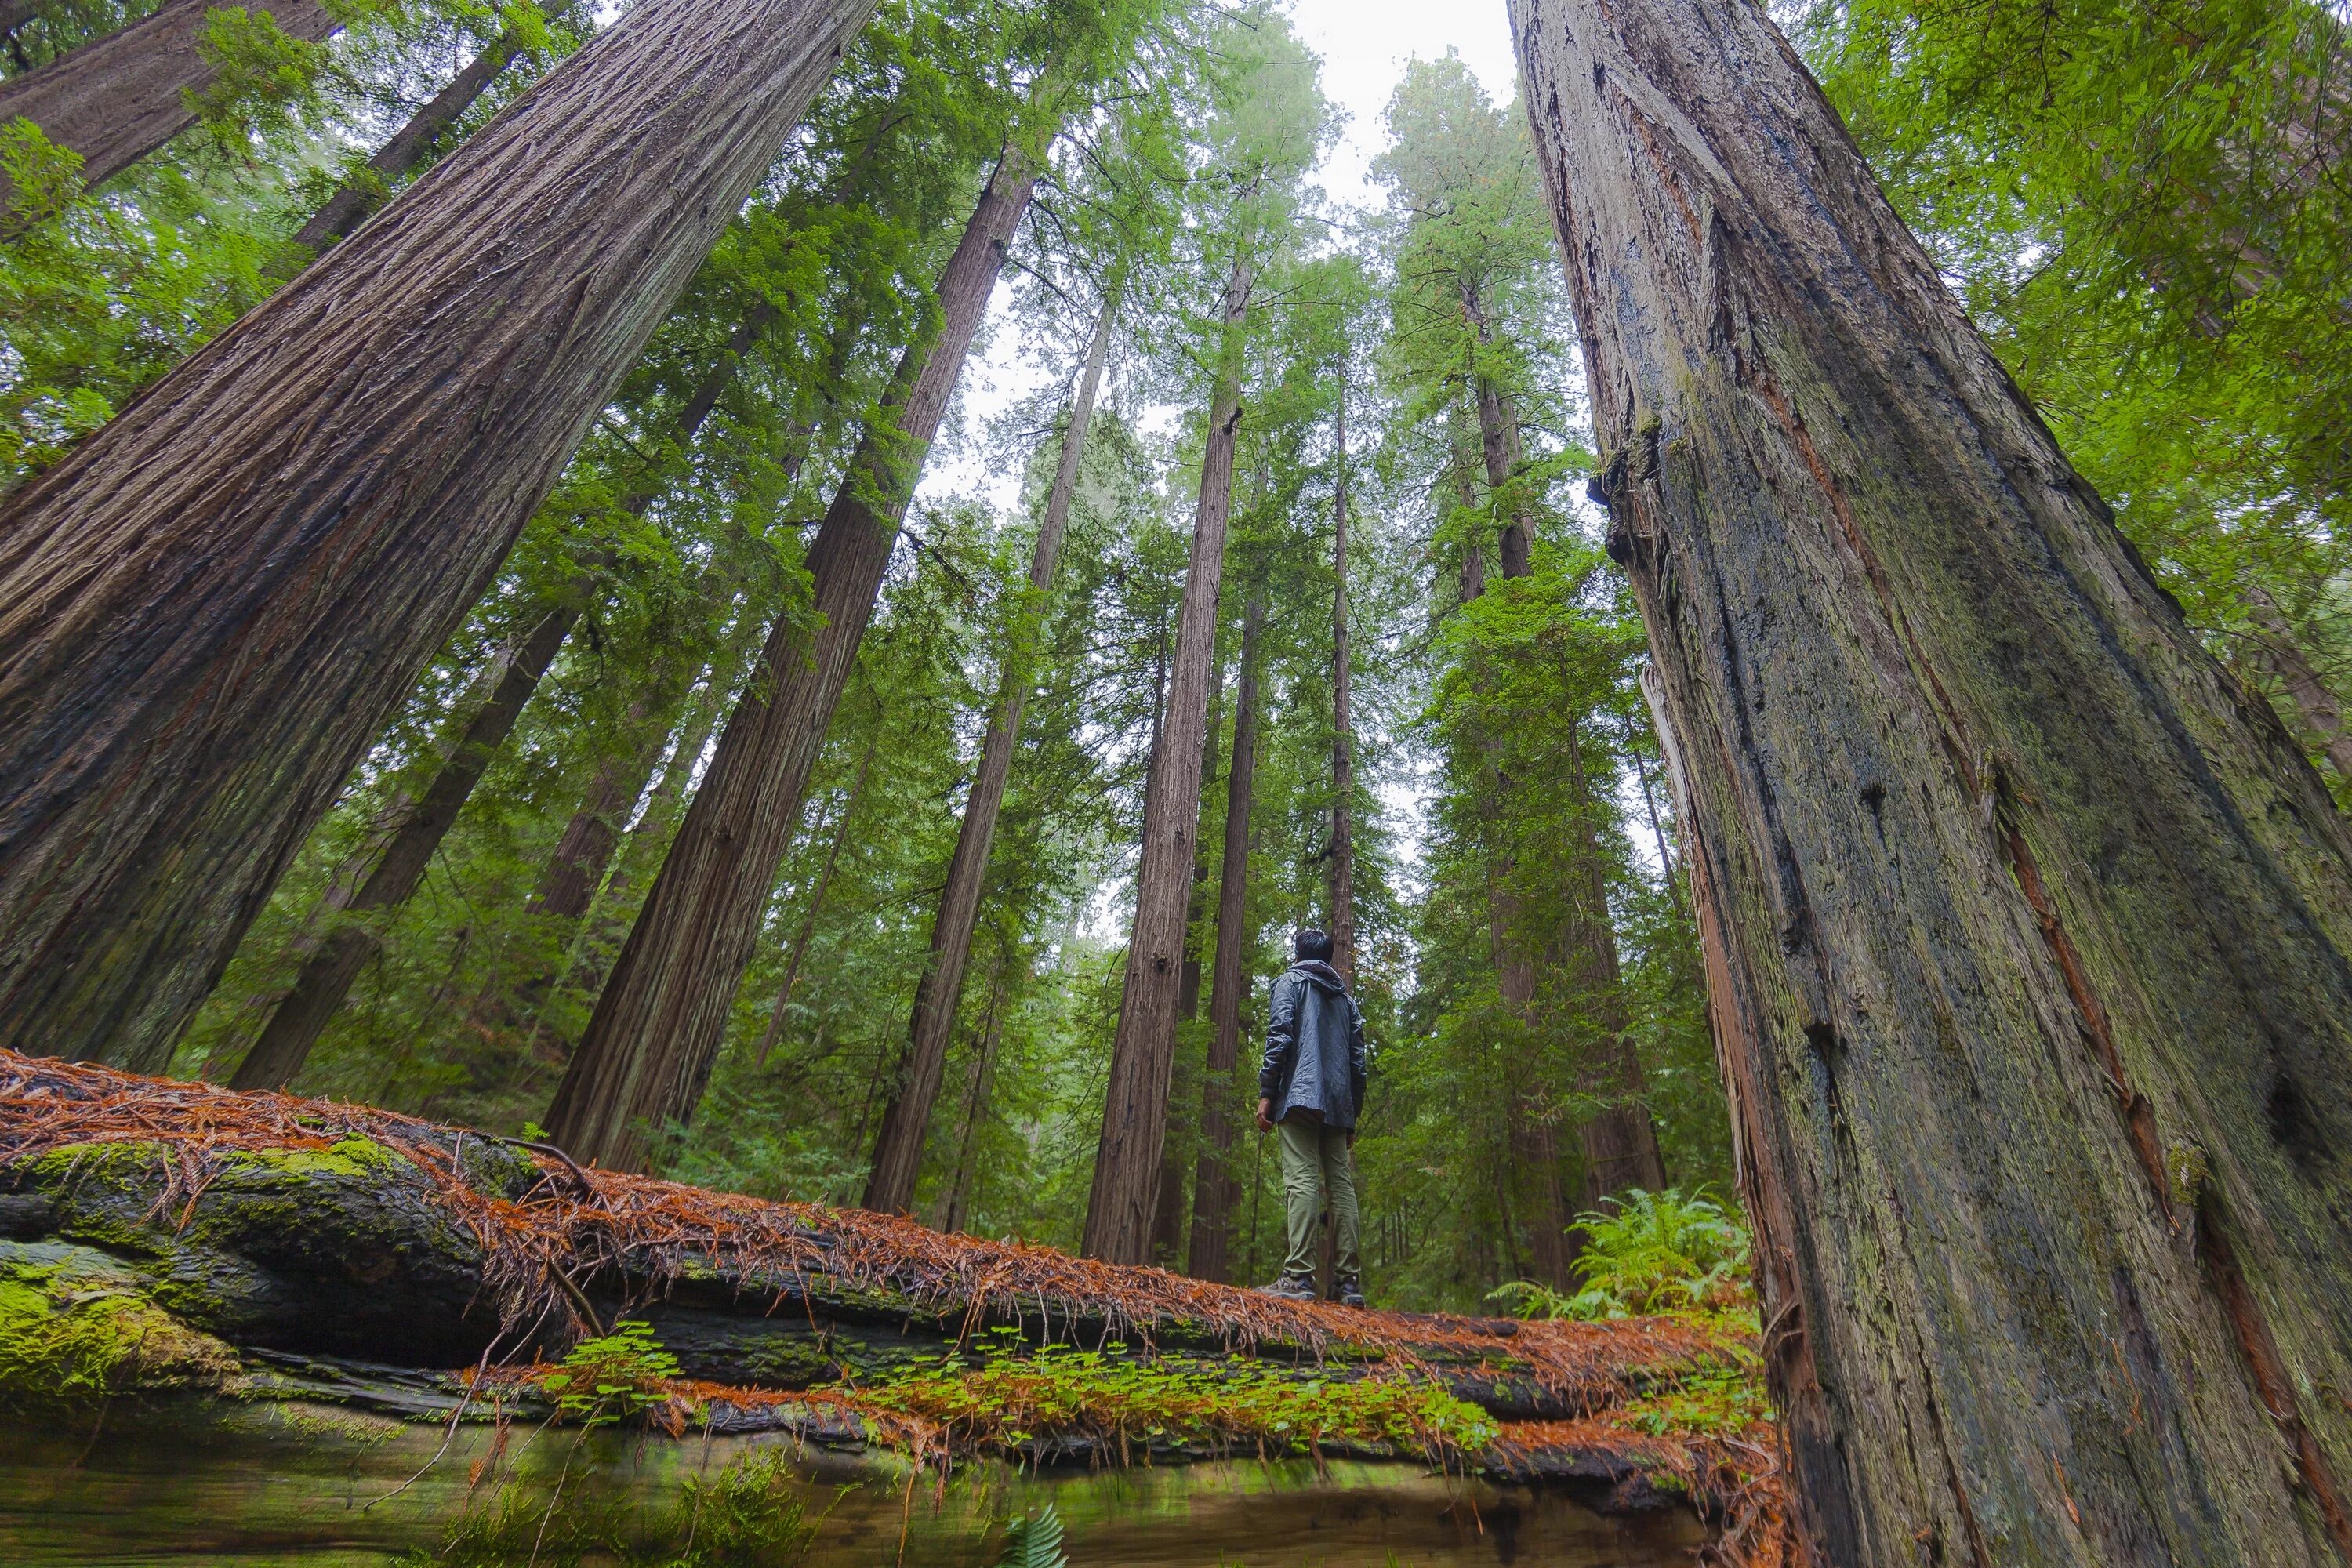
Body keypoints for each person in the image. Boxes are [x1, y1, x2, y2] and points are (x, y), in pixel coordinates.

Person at [1255, 927, 1369, 1306]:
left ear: (1298, 954)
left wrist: (1268, 1092)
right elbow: (1357, 1062)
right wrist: (1352, 1114)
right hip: (1338, 1104)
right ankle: (1348, 1284)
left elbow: (1280, 1035)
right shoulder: (1347, 1001)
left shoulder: (1289, 982)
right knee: (1341, 1185)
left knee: (1301, 1178)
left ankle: (1299, 1277)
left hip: (1300, 1098)